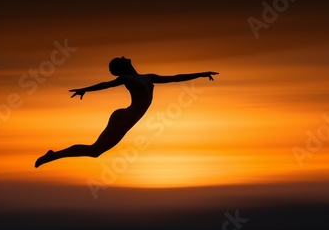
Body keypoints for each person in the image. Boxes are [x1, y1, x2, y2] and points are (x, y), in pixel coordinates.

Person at [35, 56, 218, 168]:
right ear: (121, 68)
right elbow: (107, 84)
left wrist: (202, 73)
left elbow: (175, 78)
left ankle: (53, 155)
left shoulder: (147, 77)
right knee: (95, 150)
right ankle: (53, 155)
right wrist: (85, 90)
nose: (124, 56)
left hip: (126, 118)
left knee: (95, 151)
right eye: (120, 59)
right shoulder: (126, 78)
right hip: (122, 119)